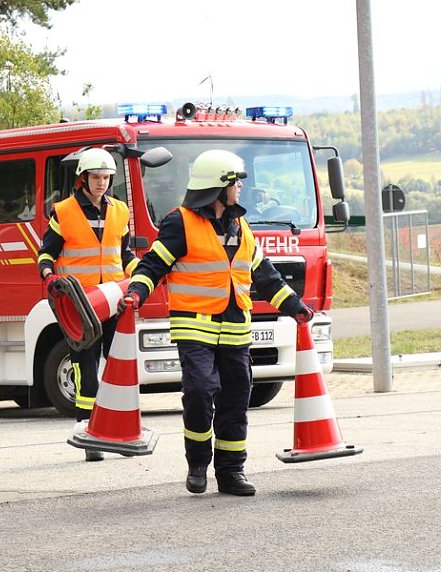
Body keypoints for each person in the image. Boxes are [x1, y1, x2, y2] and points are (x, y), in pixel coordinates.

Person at [124, 150, 313, 496]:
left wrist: (294, 306)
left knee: (237, 398)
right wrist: (137, 293)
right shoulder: (179, 222)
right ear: (217, 186)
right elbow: (153, 265)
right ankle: (198, 464)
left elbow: (265, 275)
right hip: (194, 327)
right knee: (199, 393)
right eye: (235, 181)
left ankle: (231, 472)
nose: (241, 186)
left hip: (236, 328)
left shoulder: (240, 225)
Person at [37, 148, 138, 461]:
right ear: (83, 178)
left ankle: (121, 432)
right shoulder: (63, 211)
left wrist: (141, 277)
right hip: (79, 305)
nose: (102, 183)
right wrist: (49, 277)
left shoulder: (120, 211)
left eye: (106, 177)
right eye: (96, 177)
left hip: (115, 302)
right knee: (86, 368)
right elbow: (46, 253)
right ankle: (88, 433)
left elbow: (126, 256)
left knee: (119, 366)